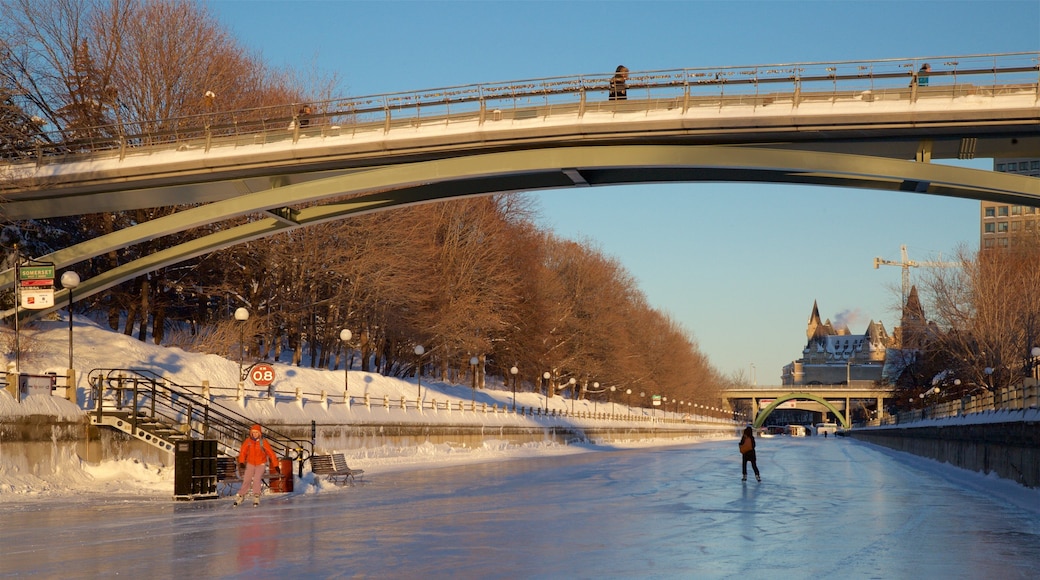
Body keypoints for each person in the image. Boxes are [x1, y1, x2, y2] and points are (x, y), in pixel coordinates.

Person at [235, 423, 278, 507]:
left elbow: (271, 453)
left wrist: (276, 464)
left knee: (257, 479)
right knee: (247, 479)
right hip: (251, 463)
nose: (255, 434)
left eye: (256, 432)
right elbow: (243, 452)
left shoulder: (263, 442)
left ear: (259, 433)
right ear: (251, 433)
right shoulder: (248, 441)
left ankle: (256, 496)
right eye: (253, 433)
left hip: (261, 463)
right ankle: (241, 495)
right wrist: (241, 462)